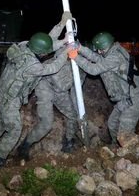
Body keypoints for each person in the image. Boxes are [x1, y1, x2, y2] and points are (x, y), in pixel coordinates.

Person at [0, 19, 73, 168]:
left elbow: (46, 43)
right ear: (40, 52)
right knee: (14, 130)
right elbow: (52, 67)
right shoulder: (33, 66)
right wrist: (65, 53)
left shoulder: (24, 46)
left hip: (1, 92)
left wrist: (62, 34)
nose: (47, 53)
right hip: (10, 99)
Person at [16, 12, 86, 160]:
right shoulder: (62, 50)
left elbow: (75, 88)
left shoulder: (82, 65)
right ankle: (25, 146)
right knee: (46, 123)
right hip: (45, 86)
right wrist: (61, 25)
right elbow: (50, 40)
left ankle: (68, 142)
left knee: (72, 116)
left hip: (61, 91)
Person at [70, 31, 139, 144]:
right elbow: (96, 57)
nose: (100, 52)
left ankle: (129, 155)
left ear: (107, 46)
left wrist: (76, 58)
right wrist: (80, 48)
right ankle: (115, 148)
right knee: (112, 125)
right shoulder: (112, 51)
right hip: (125, 99)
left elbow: (94, 70)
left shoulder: (115, 57)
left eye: (101, 50)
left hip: (135, 100)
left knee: (125, 135)